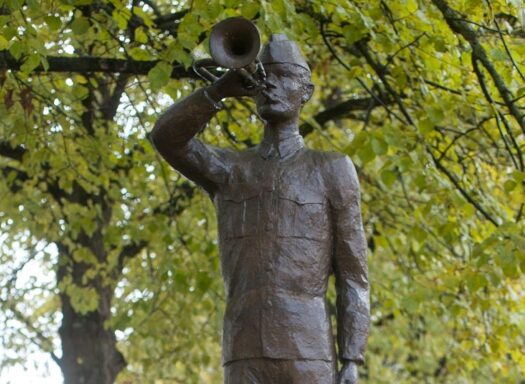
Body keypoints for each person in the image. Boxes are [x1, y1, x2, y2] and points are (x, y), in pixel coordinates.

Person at [151, 34, 369, 384]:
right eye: (265, 76)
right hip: (243, 347)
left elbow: (353, 275)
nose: (271, 85)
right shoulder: (230, 170)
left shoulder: (332, 168)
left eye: (284, 76)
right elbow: (166, 137)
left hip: (309, 349)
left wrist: (352, 357)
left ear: (306, 92)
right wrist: (218, 89)